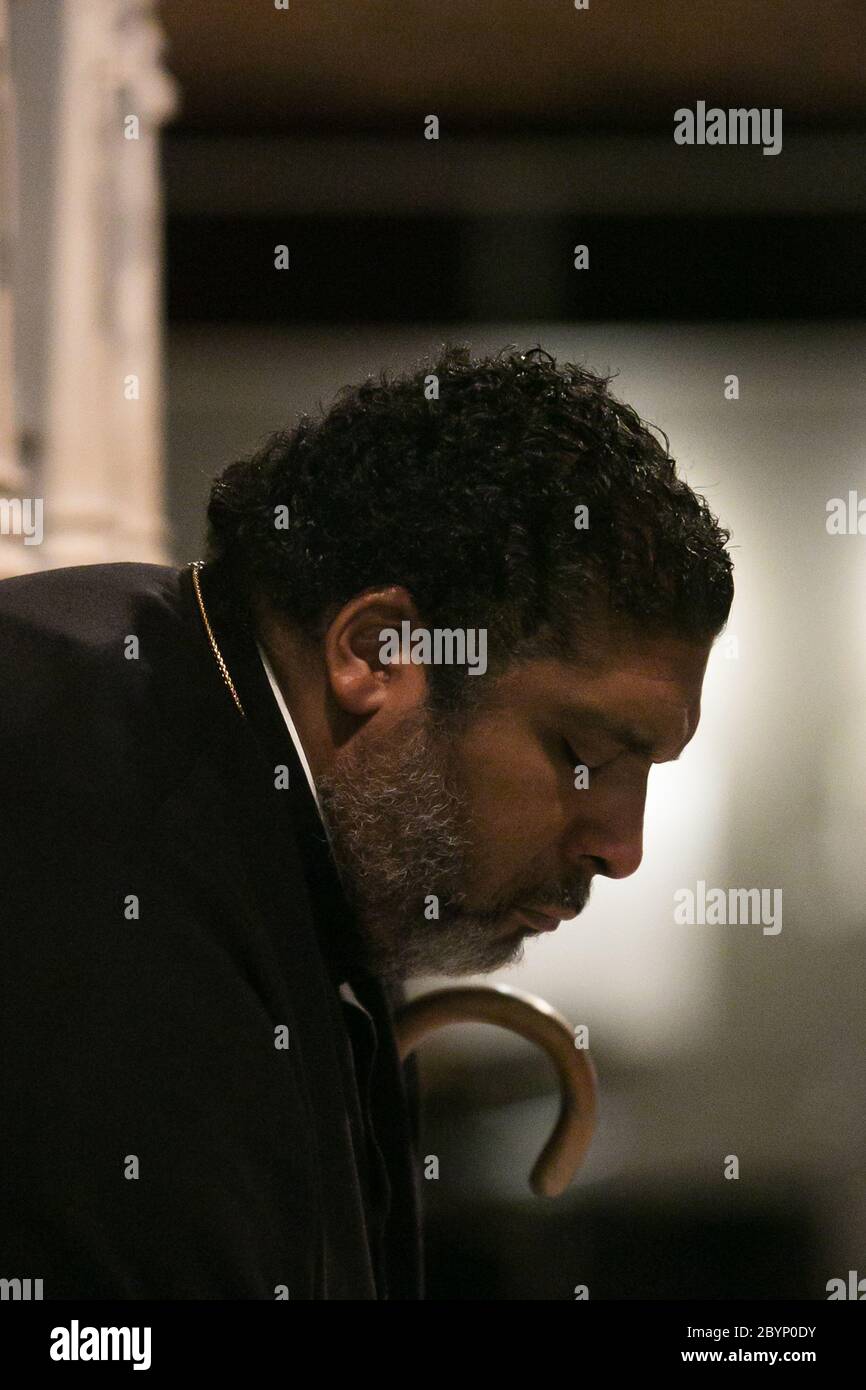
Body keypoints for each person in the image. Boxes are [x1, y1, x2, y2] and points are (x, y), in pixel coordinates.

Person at [0, 345, 734, 1299]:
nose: (621, 848)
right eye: (584, 752)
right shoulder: (102, 829)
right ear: (379, 653)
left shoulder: (173, 701)